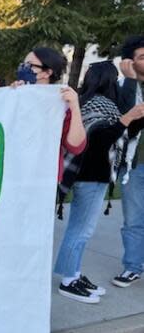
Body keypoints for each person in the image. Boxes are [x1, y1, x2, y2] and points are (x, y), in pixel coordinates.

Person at [53, 62, 144, 303]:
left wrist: (135, 119)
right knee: (81, 230)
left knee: (81, 229)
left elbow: (121, 133)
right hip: (91, 175)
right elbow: (101, 140)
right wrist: (128, 118)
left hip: (92, 175)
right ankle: (68, 281)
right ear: (108, 81)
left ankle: (74, 273)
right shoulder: (98, 104)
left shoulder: (89, 102)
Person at [13, 46, 87, 183]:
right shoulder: (15, 95)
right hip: (13, 175)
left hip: (44, 179)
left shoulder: (61, 103)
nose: (23, 68)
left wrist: (75, 107)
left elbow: (76, 146)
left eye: (29, 65)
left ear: (47, 72)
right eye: (23, 64)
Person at [111, 35, 144, 287]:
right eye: (142, 57)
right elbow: (123, 120)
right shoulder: (125, 87)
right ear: (129, 62)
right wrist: (131, 79)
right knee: (133, 219)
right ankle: (133, 266)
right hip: (133, 165)